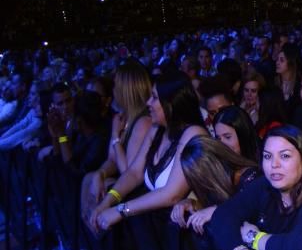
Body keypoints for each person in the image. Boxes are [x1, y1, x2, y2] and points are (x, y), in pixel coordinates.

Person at [91, 73, 208, 232]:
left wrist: (121, 210)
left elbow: (171, 195)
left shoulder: (193, 133)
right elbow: (134, 173)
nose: (148, 103)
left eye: (153, 97)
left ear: (170, 102)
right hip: (156, 225)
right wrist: (108, 201)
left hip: (181, 232)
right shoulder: (157, 129)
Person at [81, 60, 154, 218]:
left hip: (139, 194)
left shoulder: (143, 122)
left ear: (126, 90)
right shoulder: (122, 118)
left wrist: (115, 137)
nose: (113, 91)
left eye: (115, 86)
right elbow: (112, 160)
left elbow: (128, 172)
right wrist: (100, 173)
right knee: (91, 179)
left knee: (101, 189)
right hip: (126, 185)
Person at [170, 134, 259, 235]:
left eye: (199, 178)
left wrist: (218, 211)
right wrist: (191, 203)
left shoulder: (251, 178)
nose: (200, 184)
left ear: (212, 168)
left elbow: (251, 211)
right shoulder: (214, 188)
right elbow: (210, 205)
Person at [274, 42, 302, 114]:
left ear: (290, 64)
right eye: (277, 59)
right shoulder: (274, 83)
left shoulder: (298, 86)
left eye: (282, 60)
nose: (277, 62)